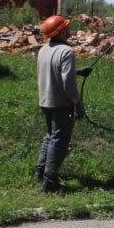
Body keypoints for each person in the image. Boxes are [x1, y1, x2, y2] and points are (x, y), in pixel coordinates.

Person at [35, 15, 85, 192]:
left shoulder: (43, 50)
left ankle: (39, 171)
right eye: (66, 27)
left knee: (50, 136)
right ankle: (50, 182)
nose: (69, 30)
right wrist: (77, 102)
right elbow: (68, 84)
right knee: (59, 140)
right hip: (61, 103)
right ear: (62, 31)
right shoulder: (66, 52)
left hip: (45, 101)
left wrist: (78, 71)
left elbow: (54, 70)